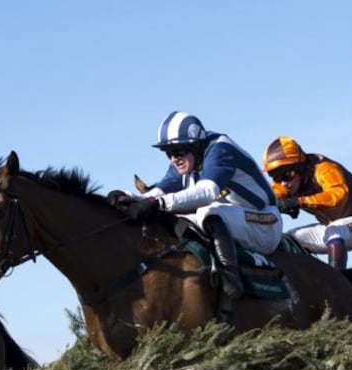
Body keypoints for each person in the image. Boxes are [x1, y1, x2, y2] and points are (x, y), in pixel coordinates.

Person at [113, 111, 282, 300]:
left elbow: (207, 192)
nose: (173, 159)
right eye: (168, 153)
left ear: (197, 145)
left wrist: (157, 203)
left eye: (178, 151)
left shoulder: (220, 149)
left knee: (207, 212)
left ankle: (230, 277)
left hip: (266, 222)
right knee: (178, 219)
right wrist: (131, 199)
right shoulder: (187, 160)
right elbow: (161, 190)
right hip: (237, 220)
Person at [263, 136, 352, 270]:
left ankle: (338, 283)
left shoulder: (325, 169)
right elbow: (268, 199)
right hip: (330, 227)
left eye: (288, 174)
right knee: (290, 239)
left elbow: (338, 194)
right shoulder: (285, 183)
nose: (284, 183)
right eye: (276, 176)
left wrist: (299, 202)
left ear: (300, 167)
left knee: (335, 230)